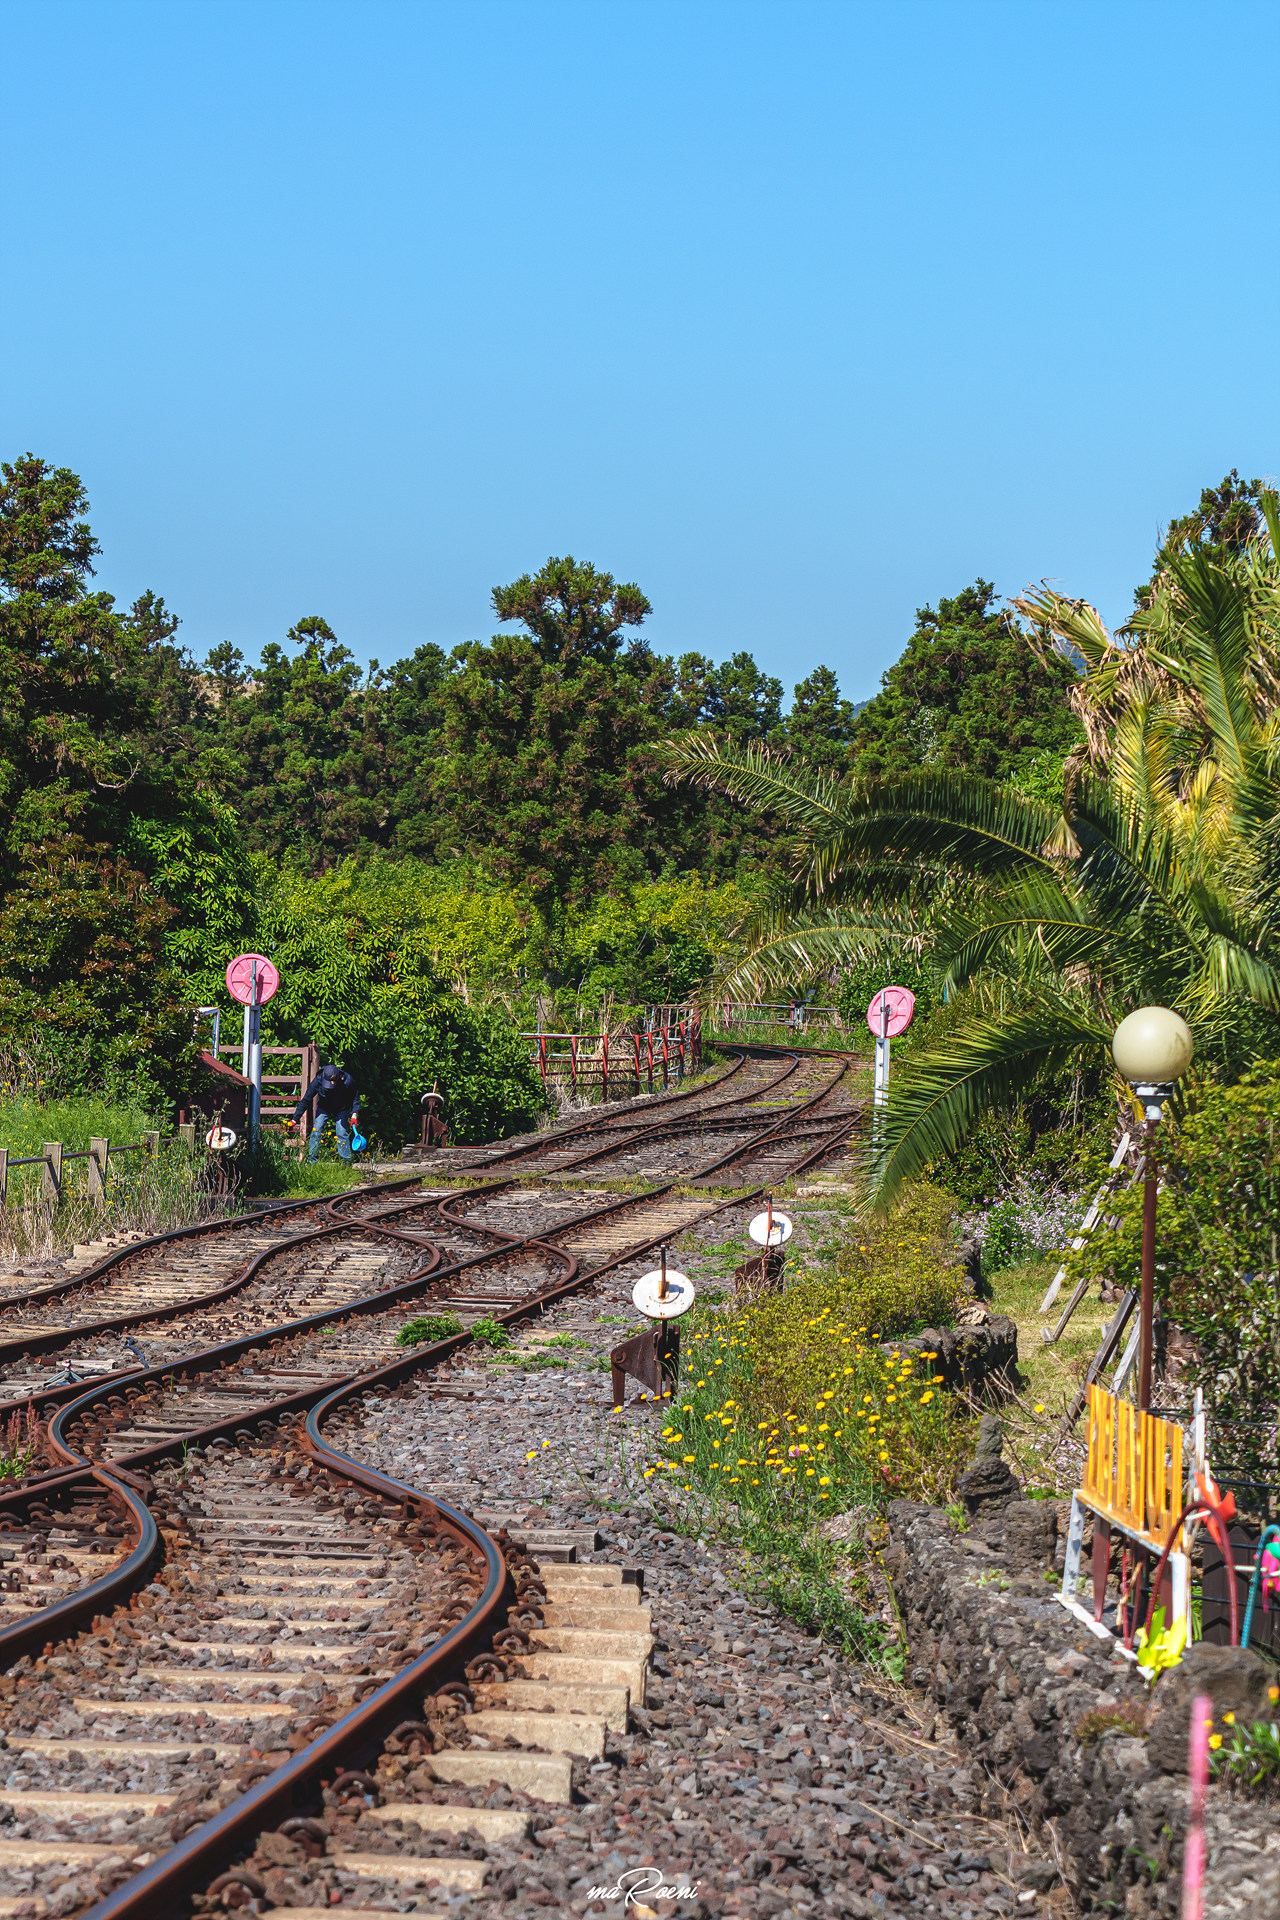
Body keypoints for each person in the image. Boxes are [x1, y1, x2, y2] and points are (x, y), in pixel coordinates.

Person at [291, 1062, 361, 1162]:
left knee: (341, 1132)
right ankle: (312, 1160)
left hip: (342, 1108)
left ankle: (346, 1162)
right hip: (324, 1108)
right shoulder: (317, 1081)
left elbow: (355, 1098)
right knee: (317, 1130)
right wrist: (294, 1119)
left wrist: (354, 1114)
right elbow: (306, 1099)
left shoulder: (347, 1080)